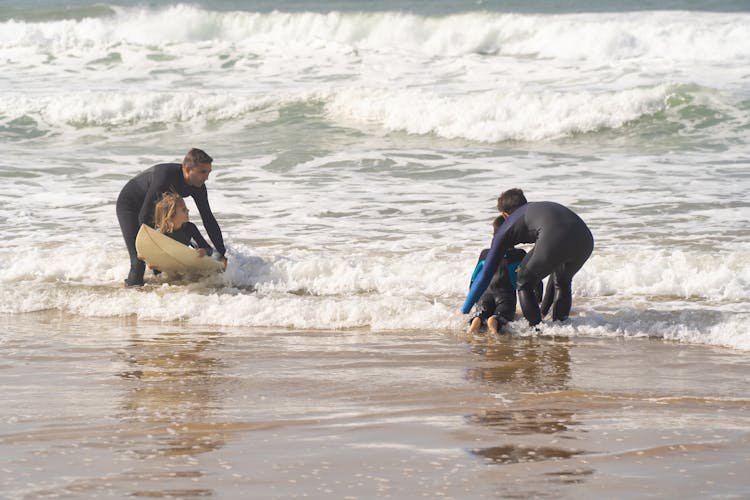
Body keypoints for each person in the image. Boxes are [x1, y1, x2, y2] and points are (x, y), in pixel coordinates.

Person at [462, 188, 593, 326]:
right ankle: (561, 327)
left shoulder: (507, 226)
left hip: (554, 237)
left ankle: (536, 329)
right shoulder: (537, 210)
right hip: (585, 239)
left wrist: (465, 309)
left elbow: (485, 274)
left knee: (523, 281)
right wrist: (542, 310)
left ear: (505, 215)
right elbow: (554, 257)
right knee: (562, 281)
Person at [116, 148, 226, 286]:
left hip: (155, 209)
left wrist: (221, 253)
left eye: (209, 172)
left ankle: (159, 294)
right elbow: (144, 216)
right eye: (202, 172)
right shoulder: (165, 176)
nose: (207, 177)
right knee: (139, 262)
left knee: (163, 265)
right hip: (131, 205)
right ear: (187, 169)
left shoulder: (198, 186)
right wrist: (149, 252)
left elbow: (208, 218)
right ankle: (130, 294)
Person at [467, 215, 528, 335]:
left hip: (484, 295)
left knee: (481, 312)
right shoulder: (519, 254)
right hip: (505, 297)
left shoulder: (485, 253)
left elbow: (474, 279)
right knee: (503, 315)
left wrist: (473, 299)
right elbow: (528, 278)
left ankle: (477, 320)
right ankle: (494, 321)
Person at [153, 192, 214, 258]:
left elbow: (209, 249)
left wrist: (203, 251)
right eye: (184, 209)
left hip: (182, 261)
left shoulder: (190, 228)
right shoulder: (160, 233)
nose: (188, 210)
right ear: (171, 215)